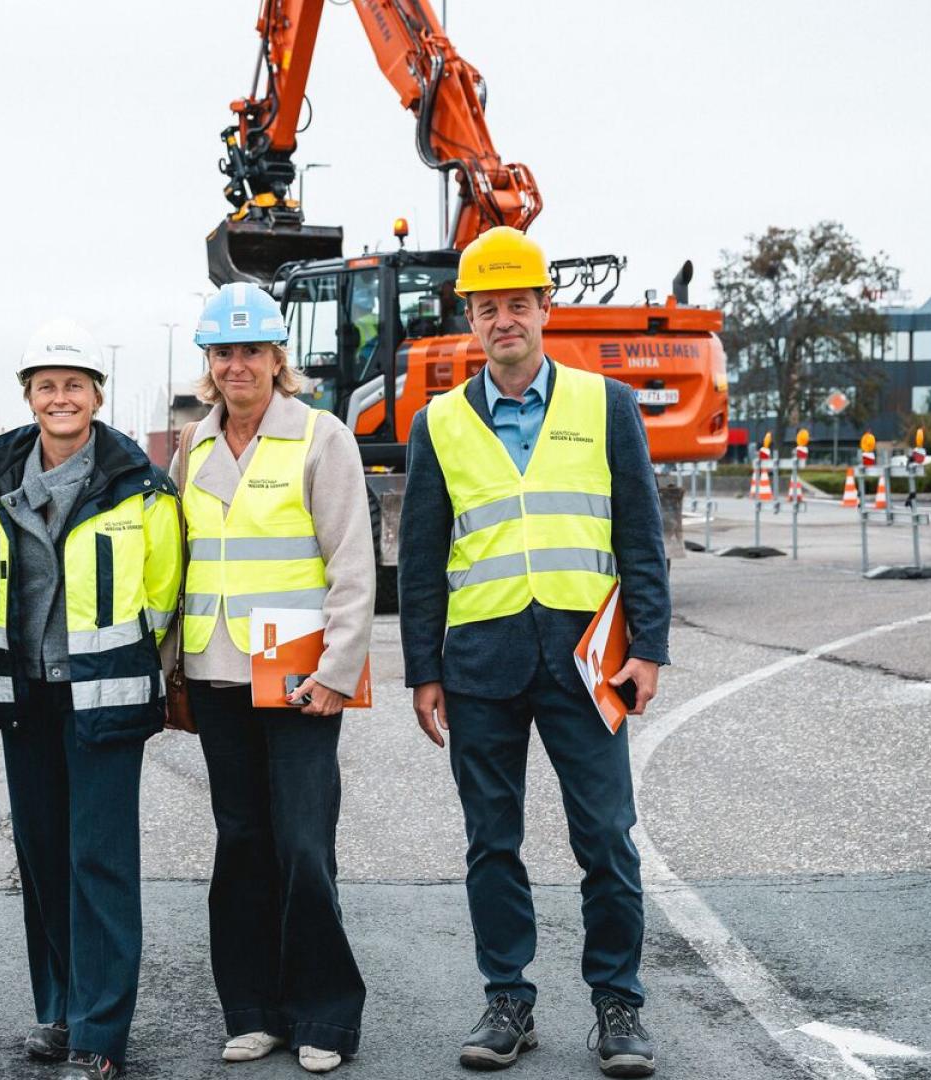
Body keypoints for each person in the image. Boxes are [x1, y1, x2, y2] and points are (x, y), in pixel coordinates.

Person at [397, 226, 669, 1078]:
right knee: (491, 842)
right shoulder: (437, 422)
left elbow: (641, 540)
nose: (504, 319)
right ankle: (507, 997)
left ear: (545, 309)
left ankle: (617, 1004)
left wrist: (650, 647)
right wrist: (423, 671)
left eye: (519, 303)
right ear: (469, 320)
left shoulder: (606, 405)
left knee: (609, 840)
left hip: (592, 661)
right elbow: (421, 558)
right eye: (488, 307)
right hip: (480, 666)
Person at [0, 318, 182, 1080]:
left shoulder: (138, 483)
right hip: (25, 698)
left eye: (74, 386)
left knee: (103, 866)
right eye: (46, 386)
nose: (61, 398)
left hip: (107, 701)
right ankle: (57, 1009)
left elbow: (164, 594)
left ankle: (100, 1032)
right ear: (28, 397)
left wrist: (143, 675)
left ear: (97, 395)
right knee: (45, 860)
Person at [169, 283, 376, 1074]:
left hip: (298, 680)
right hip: (218, 674)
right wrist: (175, 676)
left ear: (276, 358)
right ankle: (251, 1011)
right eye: (224, 352)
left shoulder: (320, 438)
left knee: (302, 846)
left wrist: (336, 670)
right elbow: (177, 564)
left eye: (251, 350)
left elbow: (352, 564)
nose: (237, 365)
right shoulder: (192, 448)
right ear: (209, 363)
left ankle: (324, 1013)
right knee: (242, 844)